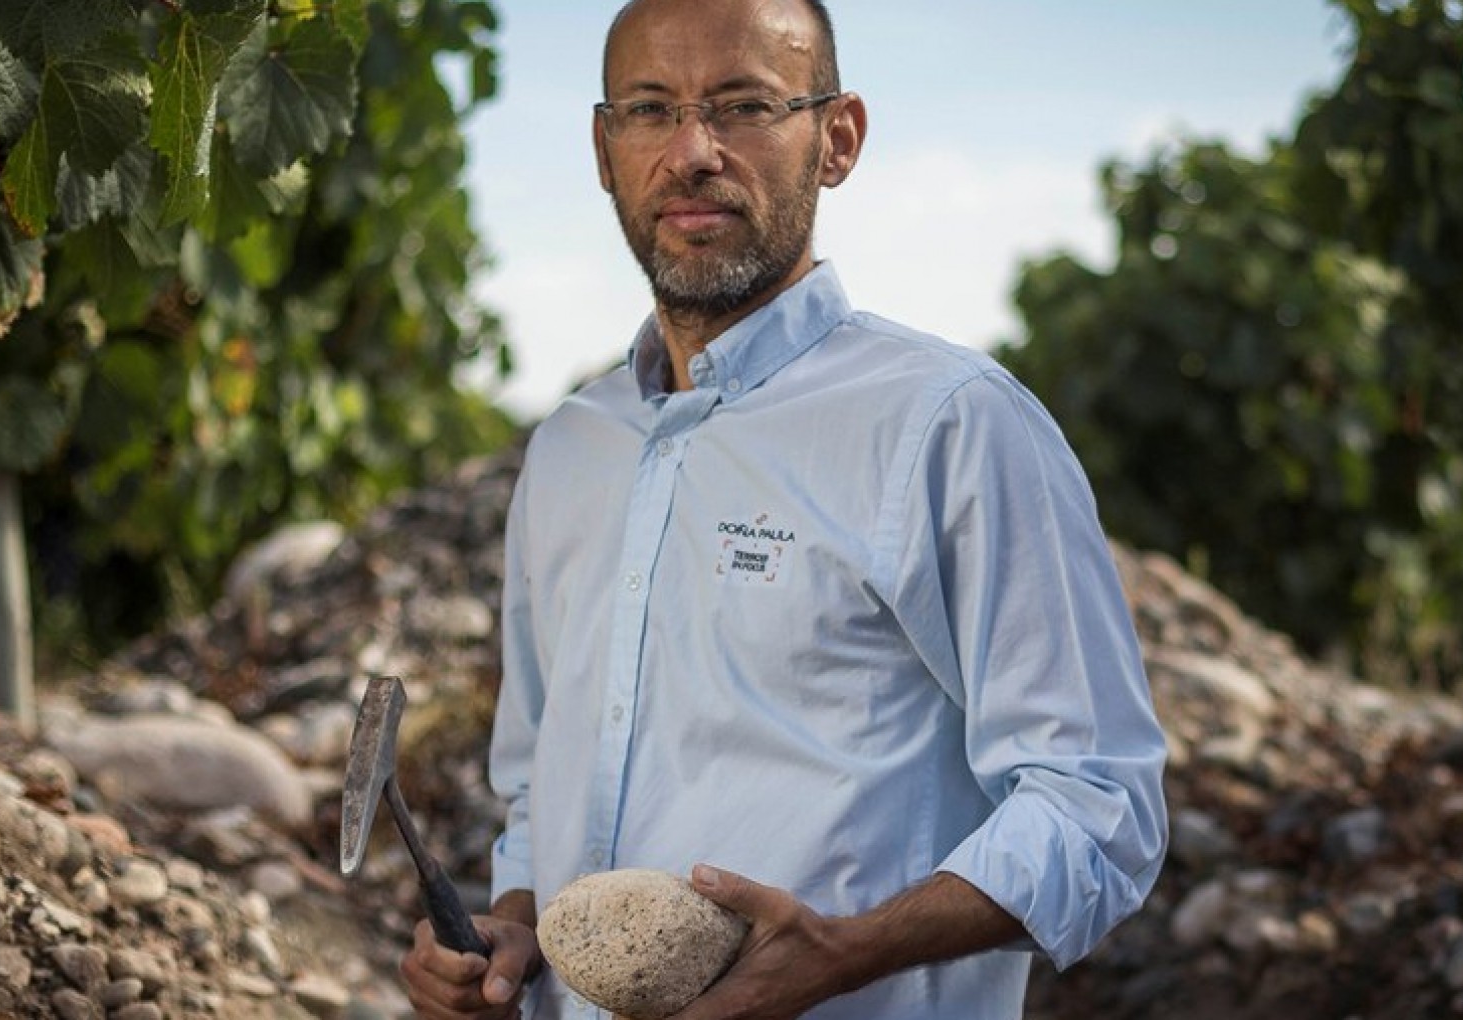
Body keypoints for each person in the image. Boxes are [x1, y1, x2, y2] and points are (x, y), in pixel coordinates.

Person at [399, 0, 1168, 1017]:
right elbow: (541, 785)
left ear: (836, 138)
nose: (692, 152)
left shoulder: (950, 426)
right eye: (648, 109)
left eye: (744, 105)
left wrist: (846, 952)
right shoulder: (571, 448)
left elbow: (1097, 807)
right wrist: (512, 928)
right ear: (602, 145)